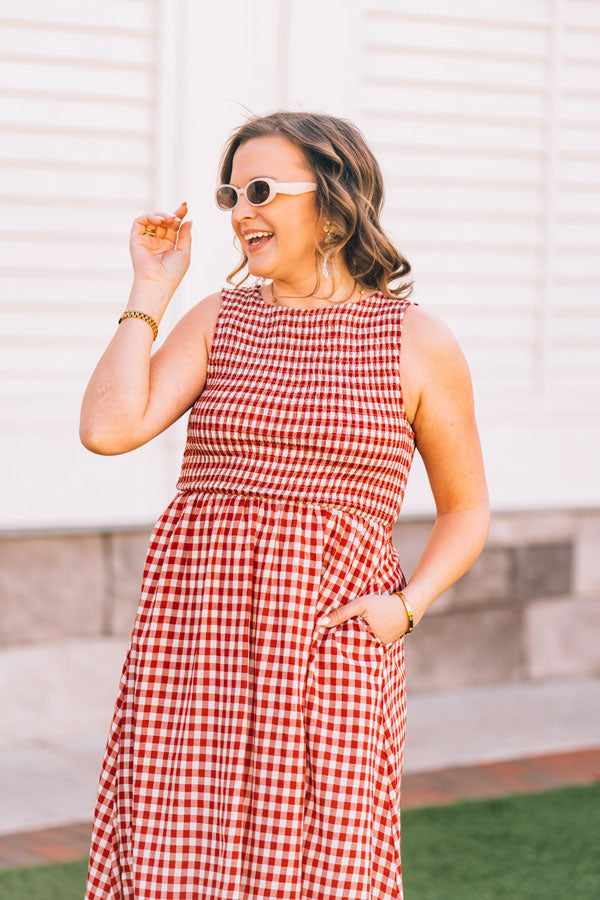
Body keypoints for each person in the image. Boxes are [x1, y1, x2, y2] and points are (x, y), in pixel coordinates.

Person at [80, 110, 489, 899]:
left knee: (325, 858)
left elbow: (466, 508)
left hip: (327, 643)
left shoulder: (416, 341)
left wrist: (407, 607)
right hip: (196, 642)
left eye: (261, 190)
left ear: (333, 202)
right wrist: (151, 288)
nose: (241, 212)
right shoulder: (220, 318)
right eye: (231, 194)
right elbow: (107, 429)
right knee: (176, 848)